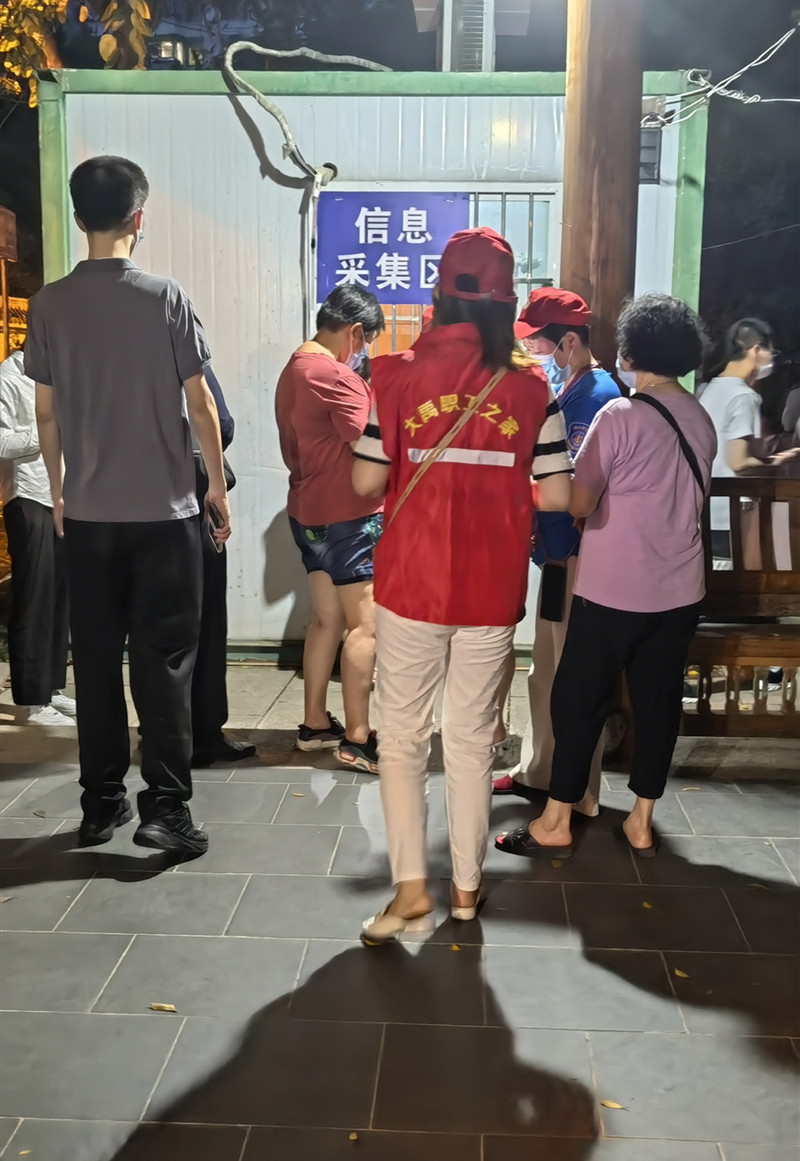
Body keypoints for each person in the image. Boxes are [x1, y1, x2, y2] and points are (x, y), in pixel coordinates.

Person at [351, 227, 573, 941]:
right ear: (507, 304)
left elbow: (365, 482)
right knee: (474, 742)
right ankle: (468, 891)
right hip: (490, 591)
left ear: (439, 294)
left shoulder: (391, 375)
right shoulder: (534, 388)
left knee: (402, 739)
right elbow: (558, 493)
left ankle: (411, 892)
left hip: (410, 586)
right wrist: (502, 491)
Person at [27, 155, 229, 856]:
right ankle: (165, 809)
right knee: (164, 661)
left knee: (96, 663)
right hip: (165, 518)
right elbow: (200, 403)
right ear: (138, 218)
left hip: (87, 518)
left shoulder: (48, 304)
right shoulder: (164, 296)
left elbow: (46, 413)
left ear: (78, 217)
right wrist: (215, 487)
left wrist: (59, 491)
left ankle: (100, 804)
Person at [495, 293, 716, 863]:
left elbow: (580, 501)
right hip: (680, 590)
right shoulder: (700, 417)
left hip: (613, 589)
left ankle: (555, 822)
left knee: (579, 701)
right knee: (657, 704)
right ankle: (641, 821)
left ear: (632, 351)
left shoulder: (619, 414)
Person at [492, 288, 619, 816]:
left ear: (568, 341)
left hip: (574, 553)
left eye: (540, 343)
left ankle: (575, 788)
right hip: (556, 551)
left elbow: (577, 483)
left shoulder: (597, 394)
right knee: (545, 669)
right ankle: (542, 771)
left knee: (570, 674)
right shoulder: (573, 386)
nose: (534, 352)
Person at [275, 286, 385, 775]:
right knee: (366, 625)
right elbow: (372, 447)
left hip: (307, 512)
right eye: (367, 341)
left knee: (326, 620)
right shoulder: (334, 376)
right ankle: (358, 738)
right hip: (349, 518)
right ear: (355, 331)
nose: (363, 352)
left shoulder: (293, 368)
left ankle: (315, 723)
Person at [0, 346, 73, 726]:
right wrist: (44, 430)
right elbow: (1, 442)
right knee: (33, 598)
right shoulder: (8, 378)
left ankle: (51, 688)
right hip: (26, 497)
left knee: (58, 598)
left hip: (60, 498)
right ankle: (31, 700)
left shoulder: (57, 378)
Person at [187, 366, 256, 767]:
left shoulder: (105, 351)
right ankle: (203, 733)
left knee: (156, 625)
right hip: (192, 494)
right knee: (206, 617)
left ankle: (161, 730)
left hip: (129, 503)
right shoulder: (184, 346)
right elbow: (221, 423)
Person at [699, 318, 799, 562]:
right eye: (771, 353)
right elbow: (738, 462)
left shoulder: (709, 389)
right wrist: (776, 463)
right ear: (756, 350)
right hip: (731, 515)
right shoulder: (743, 396)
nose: (771, 361)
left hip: (706, 509)